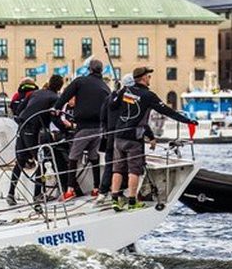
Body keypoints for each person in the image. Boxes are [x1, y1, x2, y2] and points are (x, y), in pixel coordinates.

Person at [109, 66, 196, 211]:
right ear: (143, 78)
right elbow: (167, 111)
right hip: (134, 139)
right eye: (149, 77)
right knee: (134, 170)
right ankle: (132, 201)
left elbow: (112, 106)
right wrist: (188, 121)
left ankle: (114, 200)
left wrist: (116, 93)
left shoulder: (125, 91)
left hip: (119, 136)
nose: (150, 79)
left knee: (117, 169)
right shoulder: (148, 95)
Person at [56, 59, 111, 201]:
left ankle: (70, 189)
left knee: (73, 157)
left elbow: (66, 95)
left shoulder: (80, 81)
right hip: (98, 128)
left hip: (84, 127)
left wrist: (56, 108)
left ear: (90, 69)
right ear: (101, 70)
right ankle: (96, 188)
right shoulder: (105, 87)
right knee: (94, 157)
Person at [6, 74, 65, 206]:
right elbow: (55, 118)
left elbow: (20, 109)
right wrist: (66, 129)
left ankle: (11, 193)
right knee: (42, 161)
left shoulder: (35, 93)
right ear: (60, 87)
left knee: (20, 162)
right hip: (33, 131)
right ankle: (37, 194)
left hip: (21, 127)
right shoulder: (55, 98)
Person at [99, 73, 135, 198]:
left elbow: (102, 116)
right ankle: (120, 191)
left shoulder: (108, 98)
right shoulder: (129, 98)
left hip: (110, 134)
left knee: (110, 163)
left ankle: (103, 191)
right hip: (122, 135)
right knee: (122, 165)